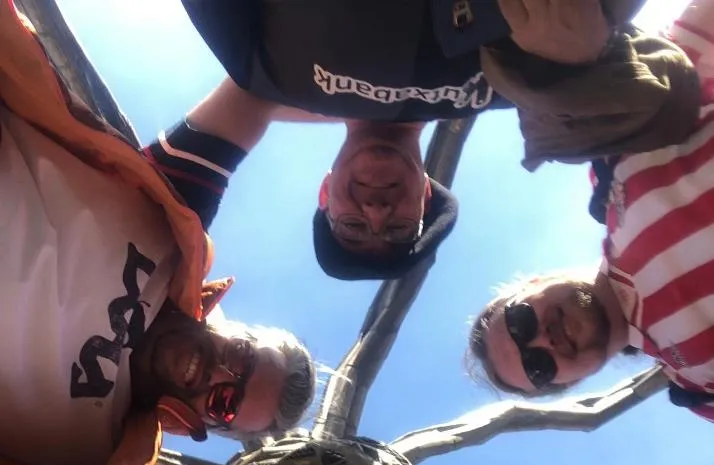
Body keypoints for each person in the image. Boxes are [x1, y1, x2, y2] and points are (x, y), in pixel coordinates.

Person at [0, 0, 315, 465]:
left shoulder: (87, 462)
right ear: (233, 328)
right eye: (242, 355)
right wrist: (386, 132)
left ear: (200, 425)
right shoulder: (172, 228)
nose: (220, 373)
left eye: (226, 401)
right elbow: (256, 92)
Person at [180, 0, 700, 281]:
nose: (376, 213)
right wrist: (579, 57)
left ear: (325, 193)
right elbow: (673, 91)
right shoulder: (513, 87)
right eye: (398, 227)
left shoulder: (268, 73)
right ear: (426, 194)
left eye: (353, 227)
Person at [467, 0, 714, 420]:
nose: (542, 341)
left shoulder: (616, 159)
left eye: (521, 321)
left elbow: (699, 37)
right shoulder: (700, 387)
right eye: (539, 368)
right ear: (573, 382)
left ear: (534, 281)